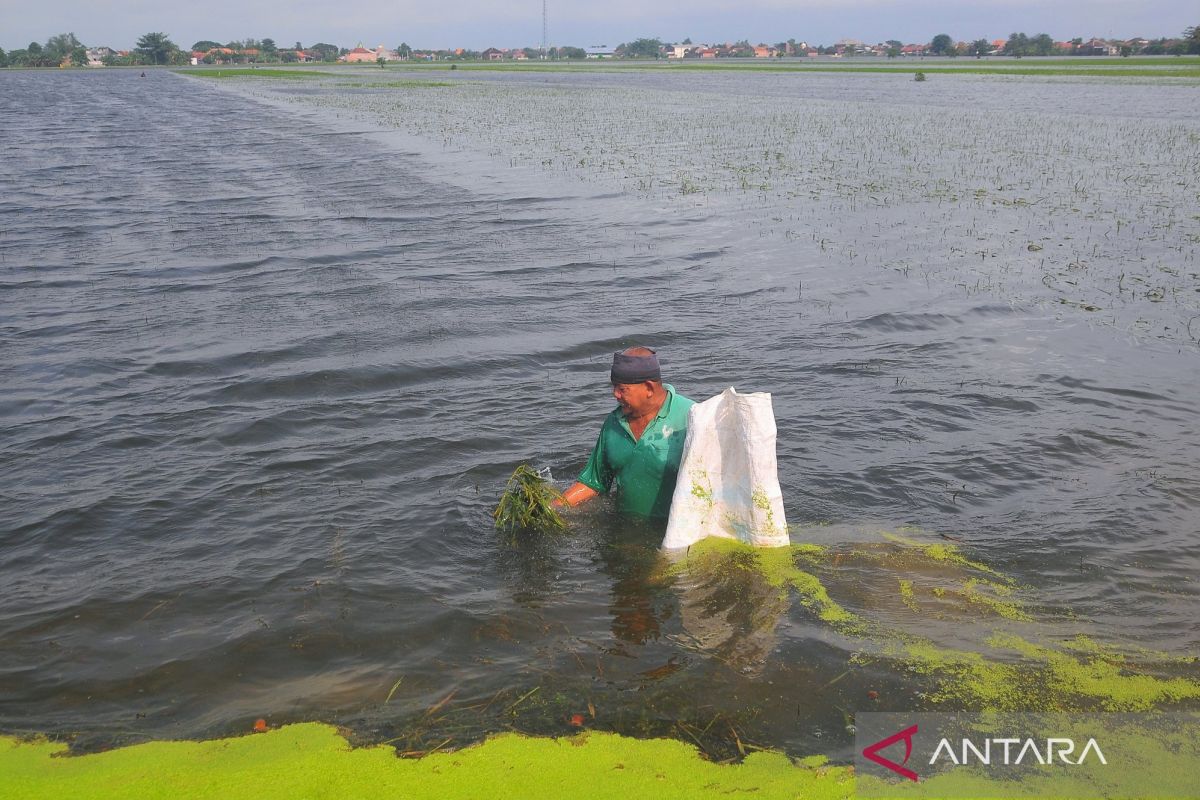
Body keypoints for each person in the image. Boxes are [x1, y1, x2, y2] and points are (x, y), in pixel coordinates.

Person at [558, 347, 694, 518]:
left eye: (622, 389)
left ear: (649, 388)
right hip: (626, 532)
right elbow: (595, 482)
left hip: (676, 534)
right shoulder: (613, 423)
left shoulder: (690, 416)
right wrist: (553, 507)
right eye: (614, 387)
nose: (615, 394)